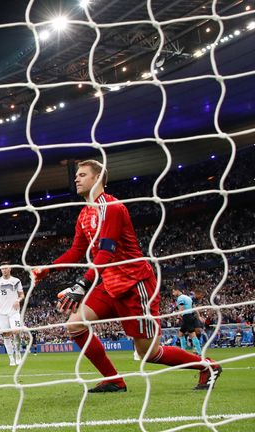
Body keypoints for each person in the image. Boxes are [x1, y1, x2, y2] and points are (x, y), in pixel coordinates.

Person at [32, 159, 221, 392]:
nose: (76, 178)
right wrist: (48, 269)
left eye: (82, 174)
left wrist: (83, 282)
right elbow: (76, 251)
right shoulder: (84, 214)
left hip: (135, 284)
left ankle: (207, 366)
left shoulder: (112, 207)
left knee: (149, 354)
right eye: (76, 175)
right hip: (109, 283)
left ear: (97, 178)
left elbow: (107, 250)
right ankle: (114, 379)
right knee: (75, 325)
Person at [0, 262, 25, 366]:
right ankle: (11, 358)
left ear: (10, 269)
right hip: (1, 312)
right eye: (2, 269)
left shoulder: (16, 281)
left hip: (14, 311)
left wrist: (18, 300)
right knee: (5, 335)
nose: (4, 270)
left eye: (6, 268)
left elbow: (22, 294)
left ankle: (18, 353)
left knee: (16, 331)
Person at [172, 287, 203, 356]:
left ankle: (199, 352)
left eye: (174, 292)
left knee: (192, 335)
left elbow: (181, 308)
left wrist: (178, 317)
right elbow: (194, 307)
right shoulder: (188, 298)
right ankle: (183, 351)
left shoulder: (180, 298)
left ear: (177, 290)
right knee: (180, 334)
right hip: (191, 316)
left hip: (186, 317)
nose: (173, 294)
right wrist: (199, 316)